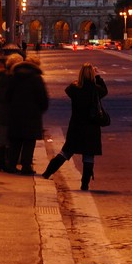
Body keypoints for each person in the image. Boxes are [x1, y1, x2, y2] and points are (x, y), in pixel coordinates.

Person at [42, 62, 108, 190]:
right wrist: (98, 77)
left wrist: (79, 79)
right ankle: (84, 184)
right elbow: (105, 91)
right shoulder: (95, 89)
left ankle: (48, 172)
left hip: (76, 126)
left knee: (65, 152)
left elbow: (68, 89)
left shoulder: (74, 88)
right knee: (88, 156)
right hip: (91, 127)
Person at [6, 53, 49, 175]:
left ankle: (12, 165)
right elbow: (43, 98)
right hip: (32, 114)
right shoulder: (36, 78)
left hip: (16, 113)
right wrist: (41, 109)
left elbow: (8, 95)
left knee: (15, 140)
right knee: (29, 141)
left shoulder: (14, 76)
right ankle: (26, 166)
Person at [0, 52, 23, 172]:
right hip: (11, 111)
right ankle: (9, 163)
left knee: (2, 139)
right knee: (11, 139)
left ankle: (1, 163)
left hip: (1, 110)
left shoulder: (1, 77)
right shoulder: (14, 78)